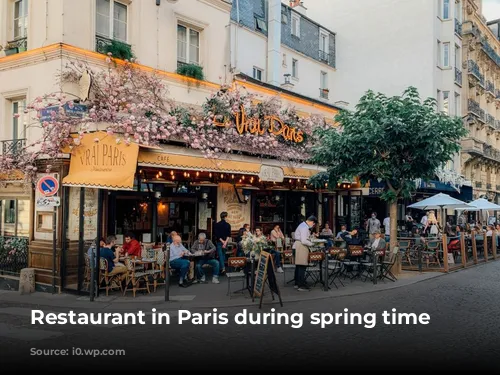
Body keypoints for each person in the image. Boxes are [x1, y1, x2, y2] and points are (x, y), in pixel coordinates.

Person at [292, 215, 317, 291]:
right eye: (313, 224)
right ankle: (301, 285)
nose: (313, 225)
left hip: (297, 245)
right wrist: (312, 244)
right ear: (311, 222)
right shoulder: (305, 227)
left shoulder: (302, 225)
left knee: (299, 266)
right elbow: (304, 240)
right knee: (302, 266)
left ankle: (297, 283)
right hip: (301, 246)